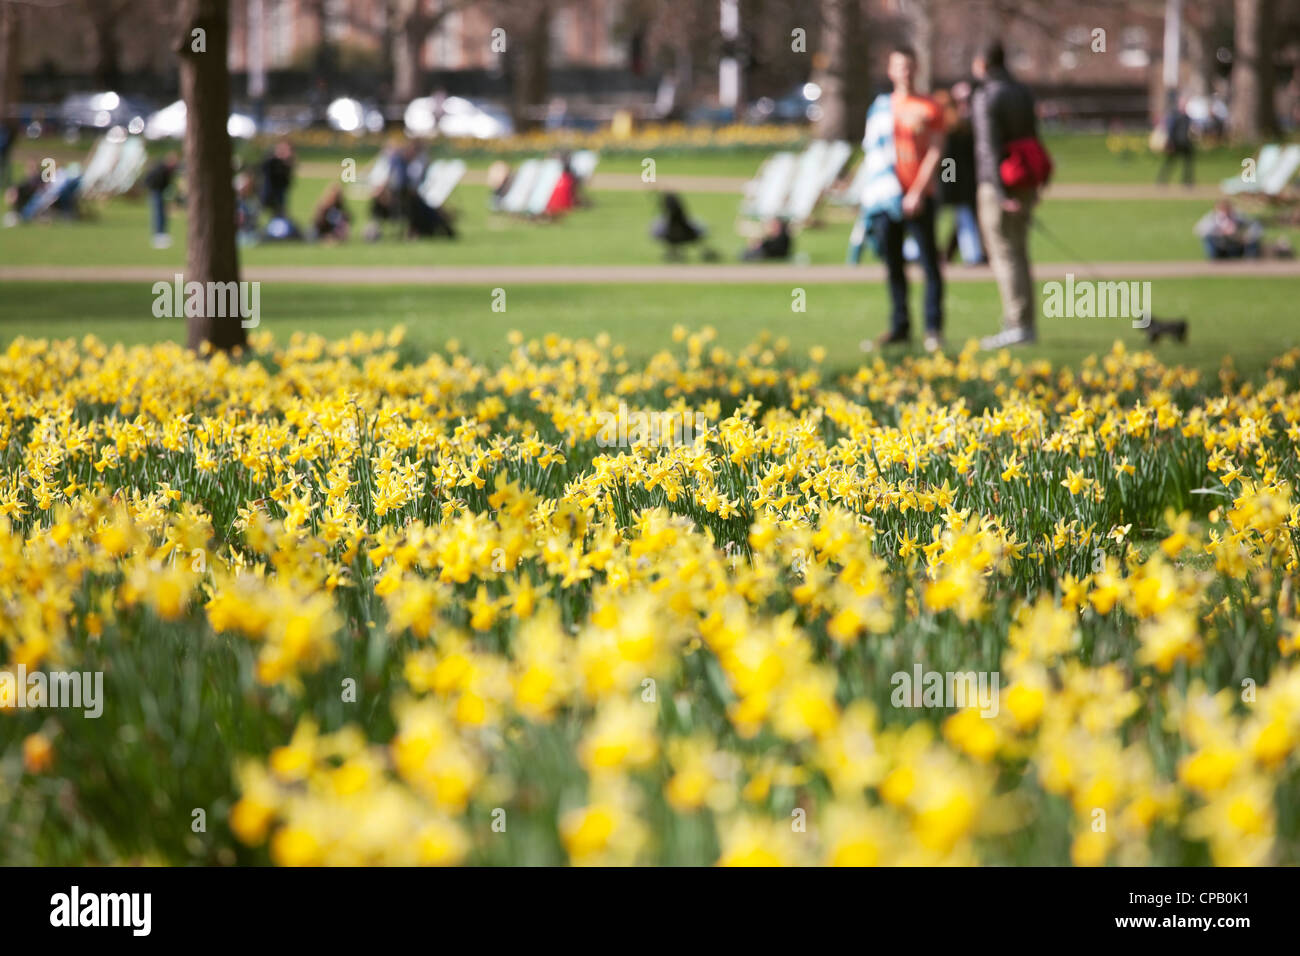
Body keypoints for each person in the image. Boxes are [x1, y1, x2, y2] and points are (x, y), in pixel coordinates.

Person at [866, 45, 947, 353]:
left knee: (930, 265)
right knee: (893, 265)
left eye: (910, 66)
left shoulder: (930, 107)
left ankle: (933, 329)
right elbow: (874, 153)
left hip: (920, 197)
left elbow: (936, 152)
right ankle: (900, 326)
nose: (905, 72)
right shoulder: (881, 108)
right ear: (891, 70)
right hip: (889, 199)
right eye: (900, 66)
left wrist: (917, 192)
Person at [972, 41, 1042, 349]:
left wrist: (1000, 193)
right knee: (1019, 251)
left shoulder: (987, 95)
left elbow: (988, 147)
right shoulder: (1023, 91)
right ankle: (1022, 320)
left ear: (983, 63)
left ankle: (1017, 323)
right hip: (1025, 179)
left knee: (1004, 254)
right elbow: (1034, 140)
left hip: (999, 184)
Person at [939, 81, 984, 265]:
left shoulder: (971, 124)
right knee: (957, 218)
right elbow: (948, 159)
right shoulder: (951, 127)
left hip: (967, 183)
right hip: (955, 184)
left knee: (965, 220)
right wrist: (949, 181)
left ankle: (971, 254)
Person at [651, 192, 713, 260]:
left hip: (670, 238)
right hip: (690, 236)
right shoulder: (689, 220)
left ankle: (672, 252)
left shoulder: (661, 222)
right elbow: (703, 230)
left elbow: (654, 233)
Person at [1195, 200, 1262, 259]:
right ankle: (1214, 262)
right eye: (1222, 208)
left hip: (1238, 243)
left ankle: (1251, 263)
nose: (1225, 211)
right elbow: (1200, 230)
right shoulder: (1212, 217)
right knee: (1208, 239)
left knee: (1252, 240)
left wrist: (1247, 236)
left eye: (1227, 208)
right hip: (1220, 244)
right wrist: (1220, 232)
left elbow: (1255, 225)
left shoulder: (1239, 216)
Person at [1156, 95, 1195, 187]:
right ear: (1179, 104)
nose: (1184, 106)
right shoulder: (1175, 116)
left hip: (1185, 143)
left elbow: (1190, 130)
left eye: (1185, 104)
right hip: (1176, 143)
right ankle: (1162, 180)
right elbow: (1170, 130)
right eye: (1182, 104)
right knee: (1170, 163)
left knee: (1188, 163)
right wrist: (1169, 142)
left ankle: (1187, 181)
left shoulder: (1187, 117)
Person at [143, 152, 178, 249]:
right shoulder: (161, 169)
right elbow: (151, 181)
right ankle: (158, 235)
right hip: (155, 191)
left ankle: (163, 233)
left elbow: (168, 183)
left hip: (161, 192)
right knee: (158, 213)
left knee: (163, 213)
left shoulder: (168, 170)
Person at [259, 140, 295, 219]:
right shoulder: (271, 161)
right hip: (268, 194)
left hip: (279, 196)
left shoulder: (287, 164)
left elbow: (287, 181)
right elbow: (263, 168)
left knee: (279, 216)